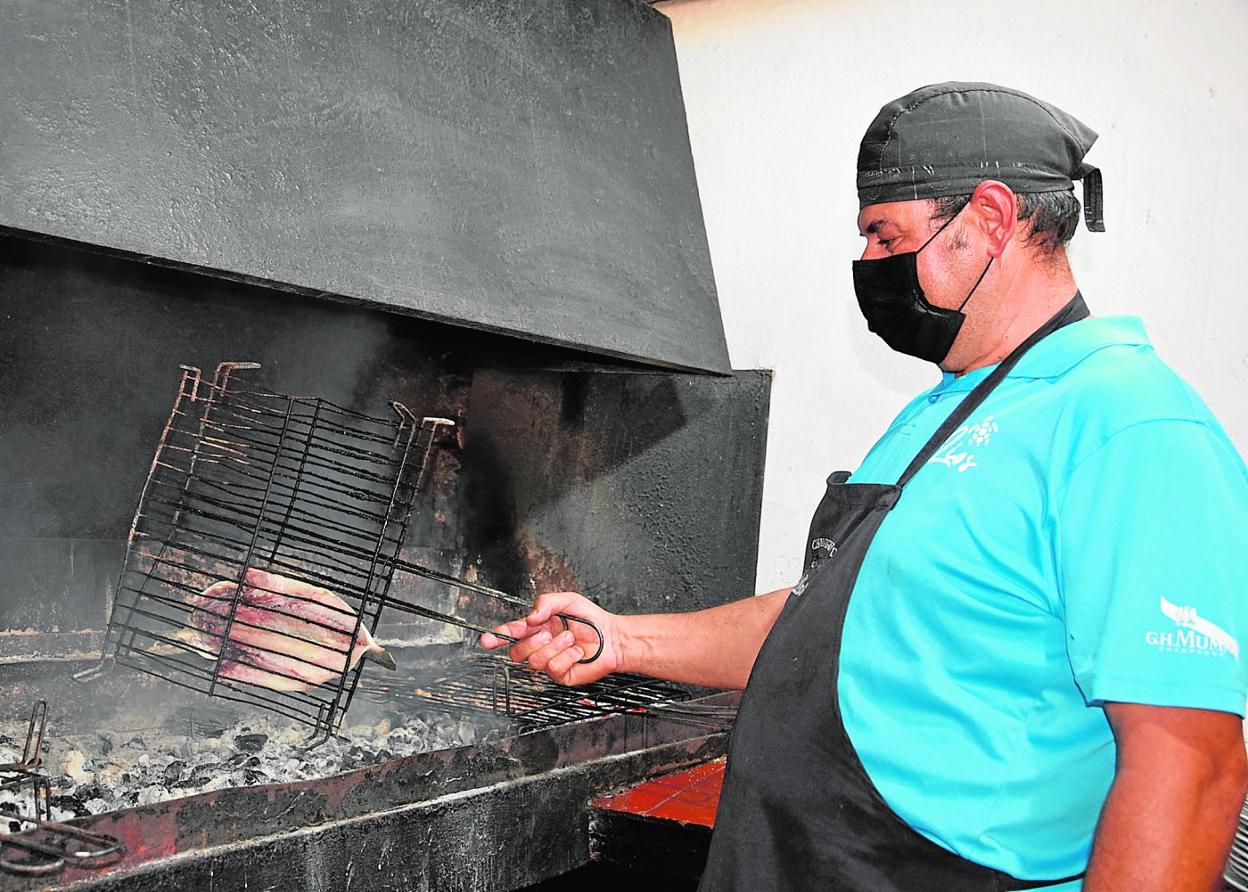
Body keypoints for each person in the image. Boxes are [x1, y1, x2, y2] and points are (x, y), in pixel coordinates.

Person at [481, 82, 1248, 891]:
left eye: (886, 237)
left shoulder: (1128, 424)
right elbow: (834, 622)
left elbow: (1191, 769)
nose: (870, 268)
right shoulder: (940, 410)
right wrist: (626, 640)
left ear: (989, 220)